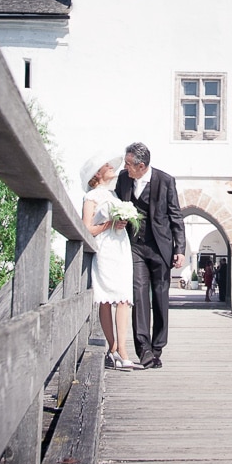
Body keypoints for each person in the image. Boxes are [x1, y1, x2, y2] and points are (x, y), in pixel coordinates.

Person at [115, 142, 185, 368]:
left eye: (128, 164)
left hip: (160, 248)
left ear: (141, 165)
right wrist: (119, 219)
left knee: (160, 297)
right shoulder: (123, 179)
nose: (125, 168)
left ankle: (157, 348)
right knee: (139, 294)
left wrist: (180, 249)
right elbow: (116, 205)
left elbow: (176, 217)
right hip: (134, 246)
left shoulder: (166, 181)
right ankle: (143, 349)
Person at [80, 149, 138, 370]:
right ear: (97, 173)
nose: (112, 167)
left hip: (121, 247)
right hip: (105, 249)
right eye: (107, 165)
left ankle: (121, 349)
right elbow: (87, 229)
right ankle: (113, 348)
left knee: (124, 297)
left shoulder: (113, 196)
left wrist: (123, 222)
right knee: (106, 299)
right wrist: (109, 225)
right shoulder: (91, 197)